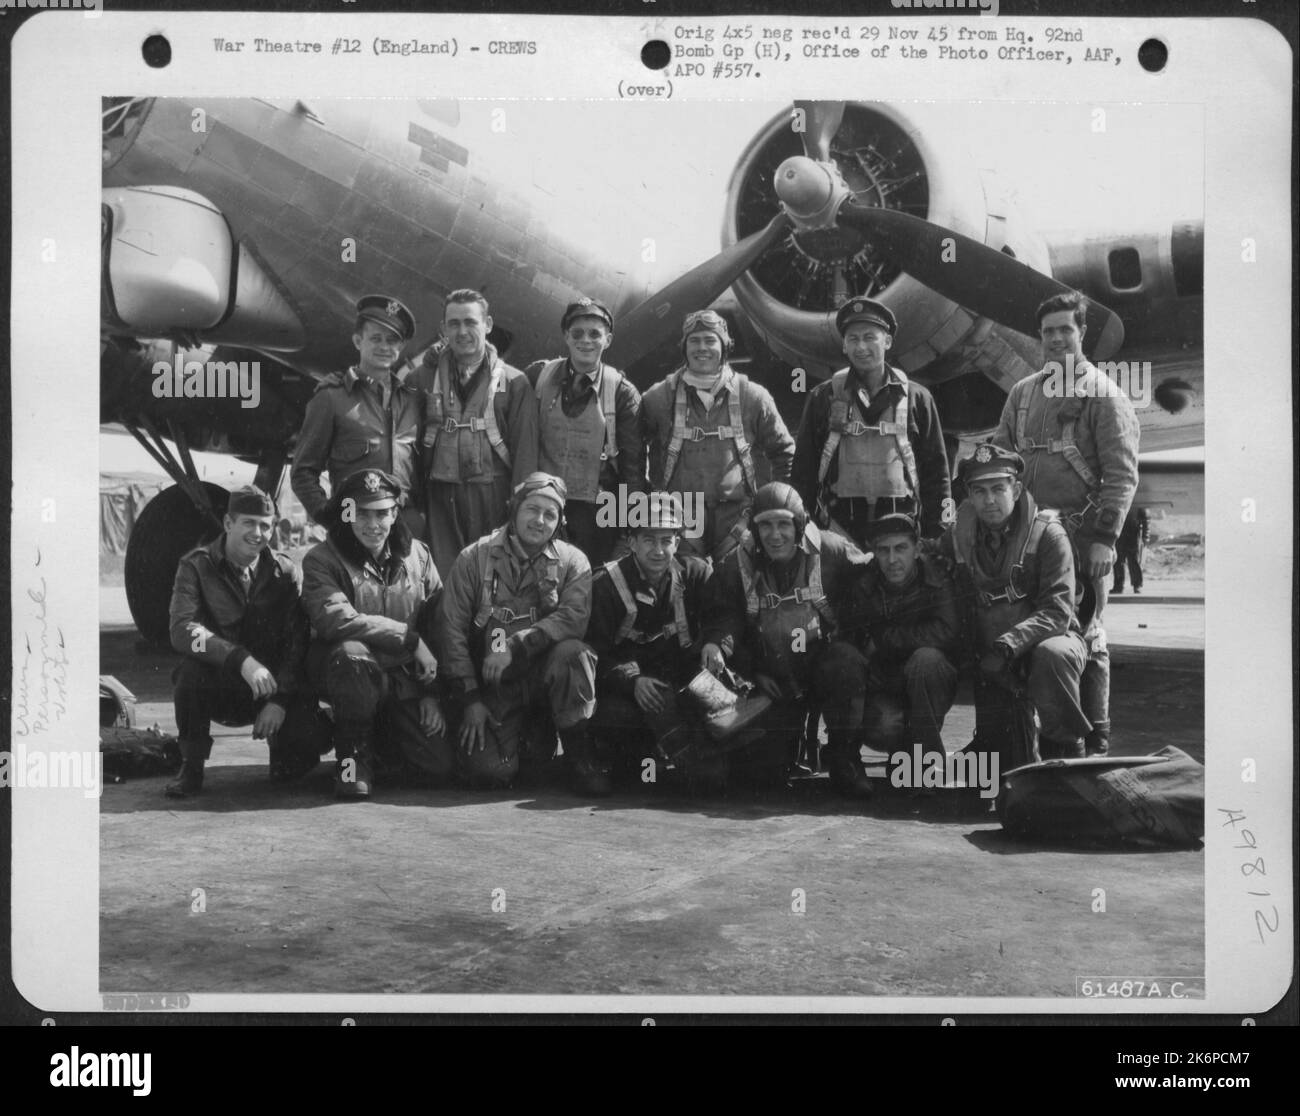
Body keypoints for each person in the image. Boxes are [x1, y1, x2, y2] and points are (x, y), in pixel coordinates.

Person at [991, 290, 1140, 756]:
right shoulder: (1021, 393)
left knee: (1087, 636)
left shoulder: (1105, 396)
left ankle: (1095, 735)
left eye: (1065, 330)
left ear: (1082, 334)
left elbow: (1122, 474)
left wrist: (1105, 539)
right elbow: (1000, 461)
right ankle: (1029, 738)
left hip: (1081, 540)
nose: (1056, 338)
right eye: (1048, 331)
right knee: (1032, 632)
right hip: (1028, 542)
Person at [701, 482, 872, 795]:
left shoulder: (831, 550)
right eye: (765, 525)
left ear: (800, 524)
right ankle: (791, 746)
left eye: (783, 524)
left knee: (846, 662)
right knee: (762, 778)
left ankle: (844, 758)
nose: (775, 535)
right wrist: (732, 656)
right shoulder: (735, 564)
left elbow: (873, 571)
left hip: (823, 668)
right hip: (773, 679)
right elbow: (724, 616)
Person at [437, 473, 599, 791]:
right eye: (532, 509)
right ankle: (531, 738)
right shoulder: (474, 558)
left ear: (559, 521)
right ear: (514, 509)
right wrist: (470, 700)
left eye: (550, 514)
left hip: (543, 675)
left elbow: (573, 618)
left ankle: (580, 756)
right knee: (490, 773)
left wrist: (515, 645)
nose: (539, 521)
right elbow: (451, 630)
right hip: (495, 687)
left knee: (573, 655)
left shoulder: (572, 562)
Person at [166, 485, 328, 798]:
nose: (258, 533)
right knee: (190, 673)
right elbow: (182, 628)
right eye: (249, 523)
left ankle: (288, 746)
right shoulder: (196, 566)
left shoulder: (284, 571)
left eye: (265, 525)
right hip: (223, 684)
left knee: (297, 766)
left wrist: (279, 701)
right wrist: (240, 659)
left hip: (271, 687)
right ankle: (192, 764)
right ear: (228, 524)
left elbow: (297, 642)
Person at [939, 445, 1092, 767]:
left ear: (1017, 489)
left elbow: (1057, 612)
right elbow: (926, 554)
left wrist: (1008, 646)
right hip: (991, 650)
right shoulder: (959, 535)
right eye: (979, 491)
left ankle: (1066, 748)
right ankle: (995, 744)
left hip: (1043, 639)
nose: (989, 499)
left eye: (998, 489)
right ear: (968, 495)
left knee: (1055, 654)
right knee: (1009, 765)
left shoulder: (1049, 535)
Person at [301, 470, 446, 799]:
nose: (372, 524)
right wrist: (408, 638)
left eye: (382, 513)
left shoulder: (419, 556)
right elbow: (336, 620)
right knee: (352, 654)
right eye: (361, 514)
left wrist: (431, 694)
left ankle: (380, 741)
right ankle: (352, 762)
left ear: (395, 513)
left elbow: (437, 621)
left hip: (401, 678)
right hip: (350, 672)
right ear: (347, 512)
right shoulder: (321, 560)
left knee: (437, 765)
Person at [792, 297, 951, 546]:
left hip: (900, 536)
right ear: (844, 346)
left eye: (869, 337)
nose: (861, 347)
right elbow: (803, 471)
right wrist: (806, 531)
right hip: (838, 534)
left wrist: (937, 535)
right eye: (853, 339)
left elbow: (937, 475)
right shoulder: (823, 397)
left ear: (887, 341)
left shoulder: (917, 399)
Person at [640, 310, 794, 563]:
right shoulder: (658, 398)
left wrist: (776, 505)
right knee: (684, 591)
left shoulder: (753, 397)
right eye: (694, 340)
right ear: (684, 347)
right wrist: (648, 502)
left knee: (737, 590)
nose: (702, 348)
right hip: (680, 517)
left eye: (710, 340)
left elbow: (784, 452)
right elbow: (631, 455)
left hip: (738, 518)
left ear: (724, 346)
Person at [585, 492, 714, 787]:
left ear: (677, 543)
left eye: (666, 541)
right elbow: (593, 653)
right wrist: (632, 681)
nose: (658, 550)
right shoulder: (605, 585)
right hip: (627, 693)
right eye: (648, 540)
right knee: (621, 726)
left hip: (679, 687)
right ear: (631, 542)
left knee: (716, 778)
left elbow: (722, 618)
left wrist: (716, 643)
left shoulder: (695, 574)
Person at [413, 288, 539, 578]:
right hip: (440, 502)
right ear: (443, 329)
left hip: (495, 500)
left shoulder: (514, 382)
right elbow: (407, 446)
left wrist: (522, 512)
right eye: (454, 324)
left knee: (496, 582)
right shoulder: (420, 379)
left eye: (470, 322)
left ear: (488, 325)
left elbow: (526, 455)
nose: (462, 331)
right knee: (444, 585)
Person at [525, 297, 645, 565]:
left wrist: (630, 529)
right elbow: (499, 387)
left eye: (595, 334)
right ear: (566, 336)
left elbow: (633, 467)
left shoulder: (623, 393)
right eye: (577, 333)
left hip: (597, 513)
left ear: (608, 340)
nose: (586, 341)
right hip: (545, 505)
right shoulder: (538, 377)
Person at [291, 295, 424, 530]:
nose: (384, 346)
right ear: (357, 341)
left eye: (392, 340)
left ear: (401, 347)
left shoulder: (411, 401)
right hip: (356, 526)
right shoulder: (331, 397)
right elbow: (303, 472)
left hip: (406, 529)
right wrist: (330, 518)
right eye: (375, 338)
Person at [850, 511, 961, 770]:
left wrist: (885, 640)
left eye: (901, 548)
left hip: (929, 678)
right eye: (883, 550)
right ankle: (901, 751)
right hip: (885, 682)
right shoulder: (863, 584)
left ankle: (925, 764)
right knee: (885, 725)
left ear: (917, 548)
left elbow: (946, 630)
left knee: (926, 660)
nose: (892, 559)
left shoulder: (938, 577)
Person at [1112, 505, 1149, 594]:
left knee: (1134, 562)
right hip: (1120, 535)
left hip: (1133, 536)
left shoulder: (1139, 503)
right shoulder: (1120, 500)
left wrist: (1145, 536)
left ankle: (1137, 585)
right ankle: (1118, 586)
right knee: (1118, 562)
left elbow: (1145, 520)